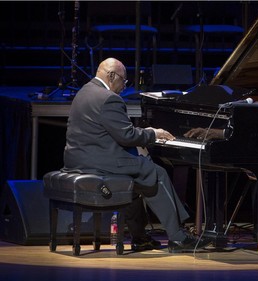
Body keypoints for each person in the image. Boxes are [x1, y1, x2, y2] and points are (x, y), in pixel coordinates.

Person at [61, 58, 211, 253]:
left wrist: (140, 135)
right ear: (111, 75)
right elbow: (126, 136)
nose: (124, 86)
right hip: (100, 163)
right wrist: (152, 134)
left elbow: (109, 131)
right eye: (124, 81)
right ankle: (178, 237)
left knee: (137, 176)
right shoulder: (109, 99)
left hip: (78, 159)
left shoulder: (84, 92)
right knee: (155, 173)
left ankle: (140, 237)